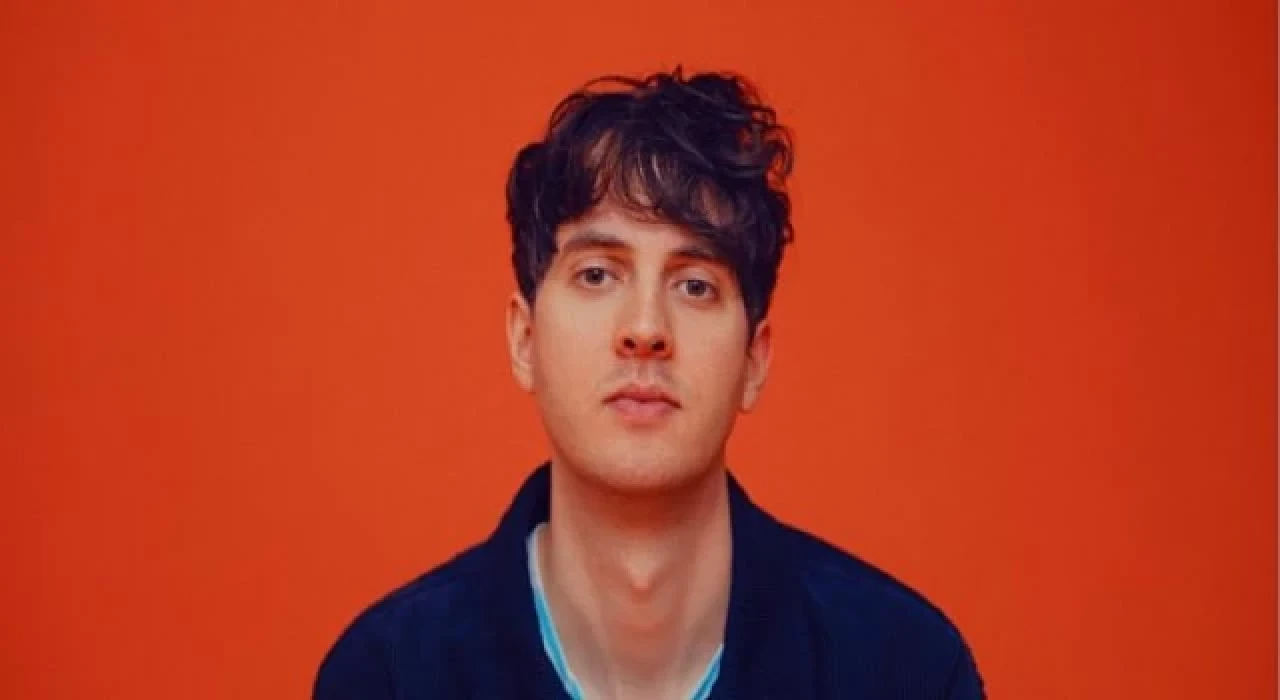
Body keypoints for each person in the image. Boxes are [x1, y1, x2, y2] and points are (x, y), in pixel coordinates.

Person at [313, 66, 985, 700]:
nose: (644, 329)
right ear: (524, 340)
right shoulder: (390, 675)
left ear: (754, 361)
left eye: (695, 285)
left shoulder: (904, 669)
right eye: (597, 275)